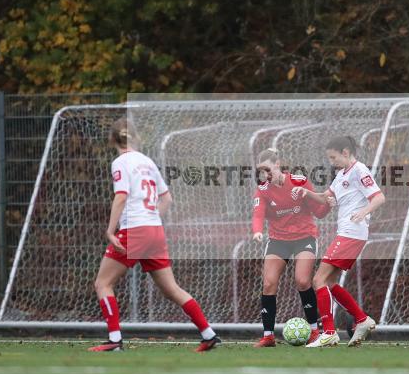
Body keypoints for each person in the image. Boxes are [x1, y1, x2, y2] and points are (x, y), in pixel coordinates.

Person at [89, 118, 220, 353]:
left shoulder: (120, 162)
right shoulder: (147, 161)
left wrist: (110, 230)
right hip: (154, 230)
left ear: (112, 140)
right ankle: (208, 334)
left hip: (134, 230)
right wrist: (151, 219)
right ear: (136, 137)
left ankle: (115, 340)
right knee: (171, 289)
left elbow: (121, 196)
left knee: (103, 283)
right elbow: (167, 198)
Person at [295, 136, 384, 348]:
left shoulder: (359, 170)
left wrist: (363, 212)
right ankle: (362, 320)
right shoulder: (341, 174)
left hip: (352, 233)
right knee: (330, 283)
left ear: (345, 152)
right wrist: (306, 192)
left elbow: (379, 197)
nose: (332, 161)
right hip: (347, 233)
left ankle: (329, 332)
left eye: (334, 157)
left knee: (318, 280)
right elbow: (326, 197)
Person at [251, 148, 330, 347]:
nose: (266, 175)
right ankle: (268, 336)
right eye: (262, 171)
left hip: (304, 237)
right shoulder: (263, 189)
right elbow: (258, 213)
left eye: (268, 170)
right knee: (269, 283)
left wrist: (328, 203)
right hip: (278, 240)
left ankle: (314, 332)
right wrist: (257, 231)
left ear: (277, 164)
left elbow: (319, 212)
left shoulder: (299, 181)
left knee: (303, 281)